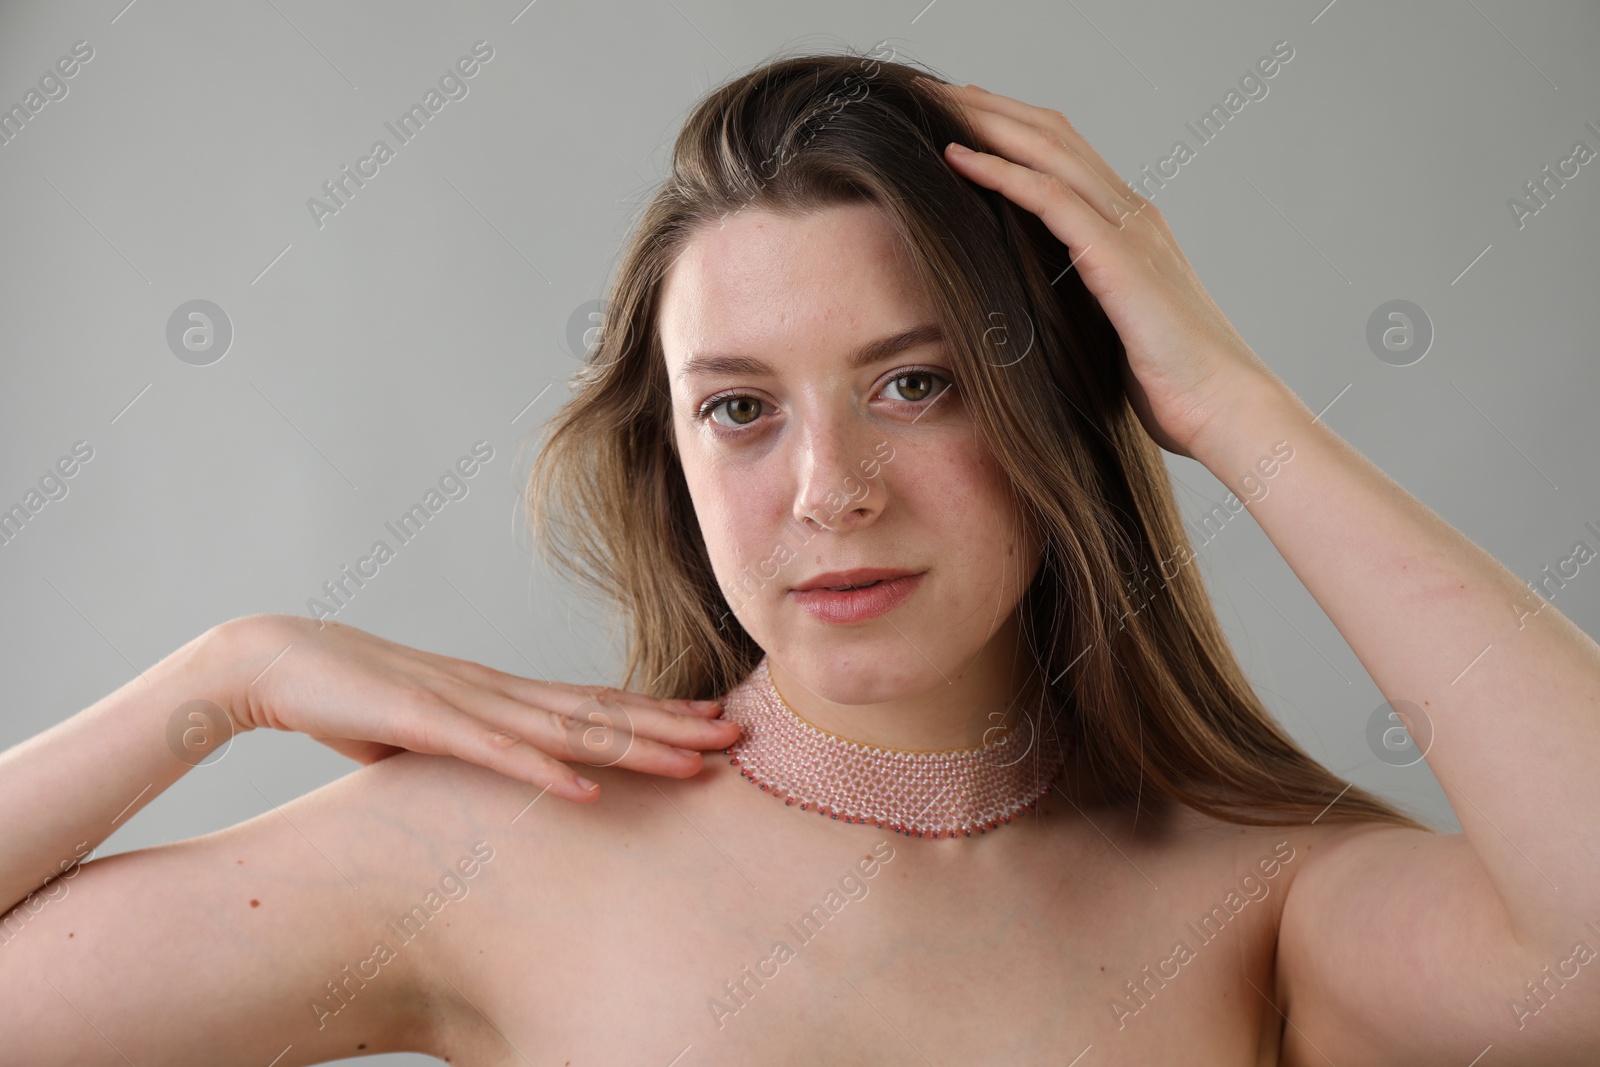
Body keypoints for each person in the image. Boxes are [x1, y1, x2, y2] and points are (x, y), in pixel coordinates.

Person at [3, 47, 1598, 1065]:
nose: (830, 489)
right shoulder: (488, 851)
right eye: (742, 410)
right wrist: (231, 677)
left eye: (917, 384)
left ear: (1058, 408)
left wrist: (1238, 409)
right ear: (673, 460)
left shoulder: (1253, 899)